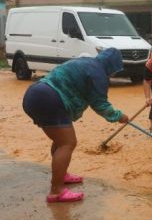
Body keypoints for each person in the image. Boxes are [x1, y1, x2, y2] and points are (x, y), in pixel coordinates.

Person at [22, 48, 129, 203]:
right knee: (68, 143)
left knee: (60, 141)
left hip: (34, 94)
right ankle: (56, 191)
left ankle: (62, 175)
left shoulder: (85, 61)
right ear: (112, 66)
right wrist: (120, 116)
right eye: (115, 70)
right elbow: (100, 105)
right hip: (50, 98)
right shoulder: (98, 73)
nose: (114, 74)